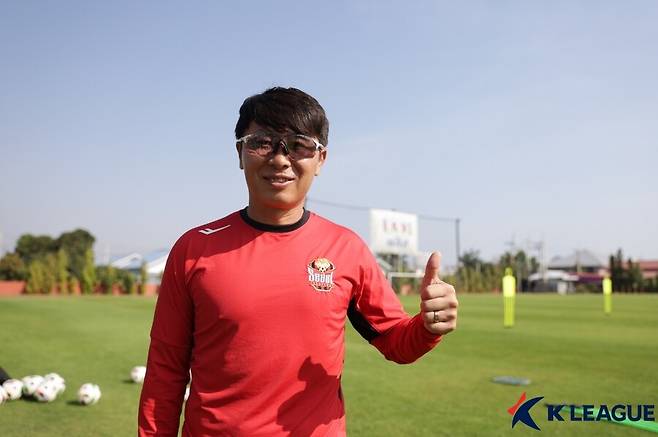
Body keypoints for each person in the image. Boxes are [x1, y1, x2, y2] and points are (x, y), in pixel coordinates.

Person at [138, 87, 458, 436]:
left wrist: (427, 327)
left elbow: (396, 342)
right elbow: (165, 371)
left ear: (320, 159)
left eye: (300, 145)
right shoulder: (194, 249)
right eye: (262, 142)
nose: (279, 158)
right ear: (240, 153)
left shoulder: (345, 248)